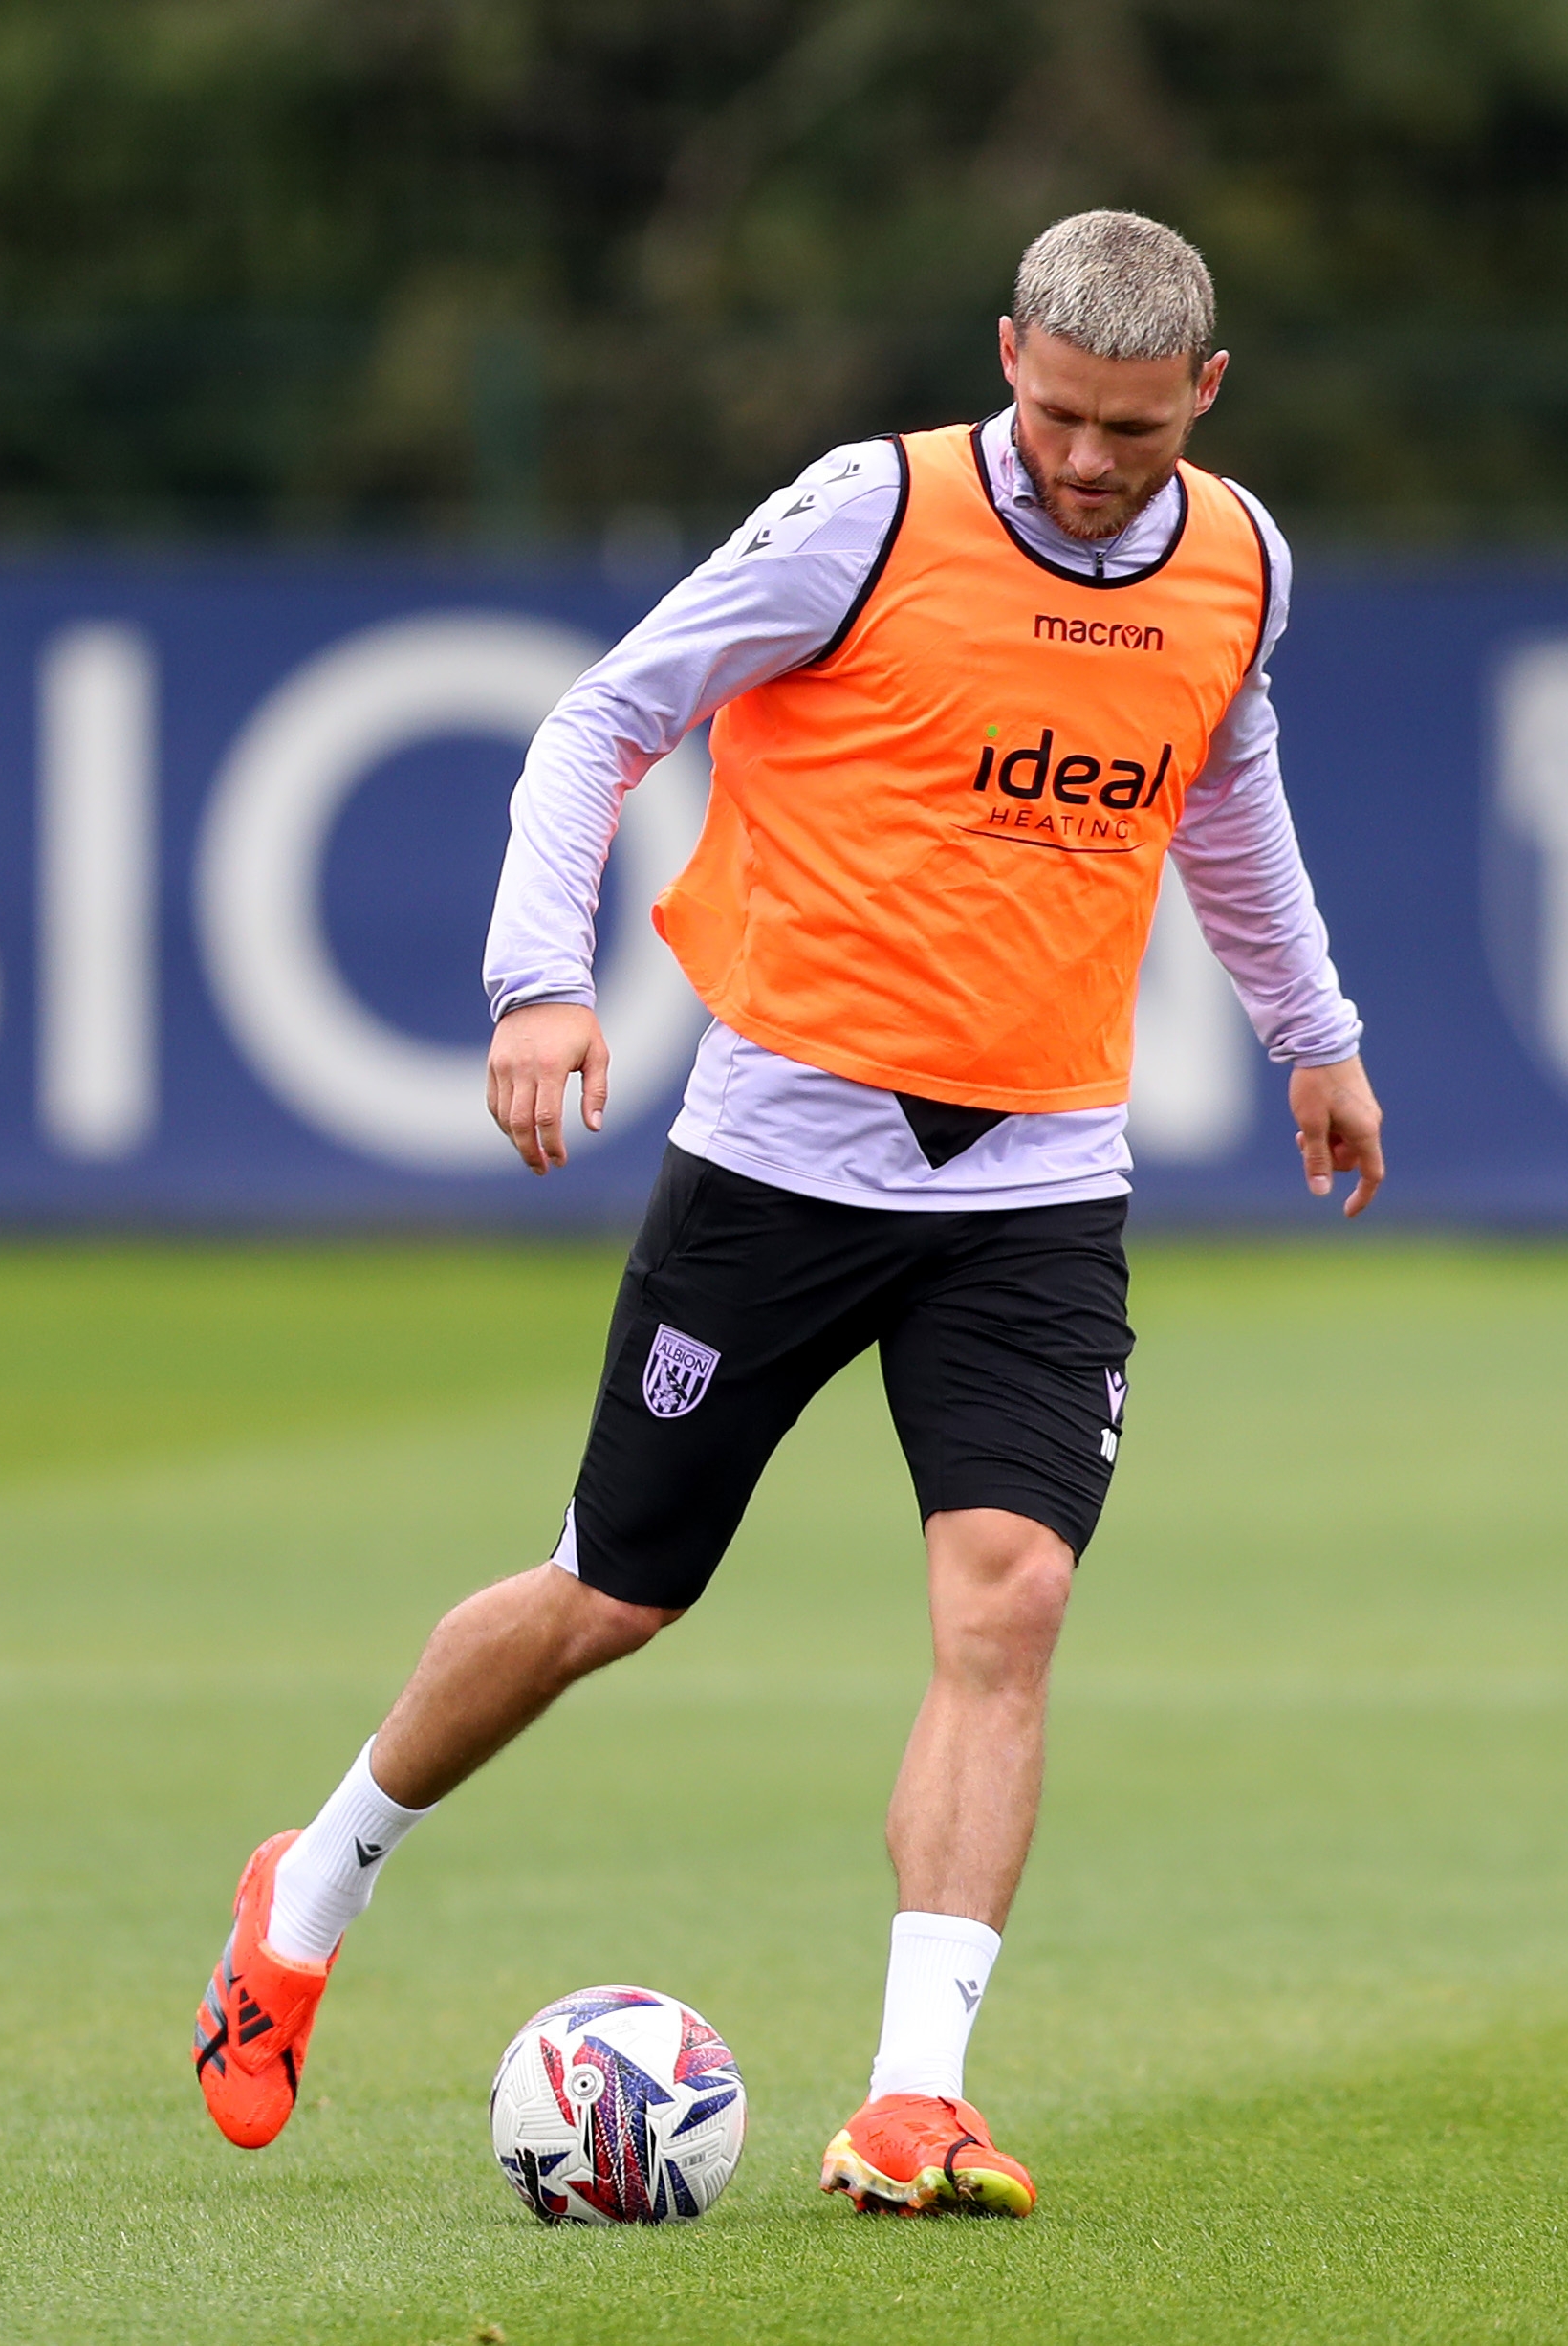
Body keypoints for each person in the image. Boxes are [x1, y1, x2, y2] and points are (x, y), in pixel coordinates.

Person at [192, 209, 1385, 2215]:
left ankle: (914, 2097)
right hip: (780, 1157)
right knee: (611, 1594)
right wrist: (536, 981)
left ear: (1207, 389)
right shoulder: (867, 513)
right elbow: (599, 720)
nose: (1091, 462)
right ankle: (309, 1881)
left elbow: (1225, 793)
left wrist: (1313, 1034)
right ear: (1007, 354)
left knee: (1010, 1601)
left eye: (1133, 430)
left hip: (1036, 1179)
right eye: (1059, 413)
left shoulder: (1240, 563)